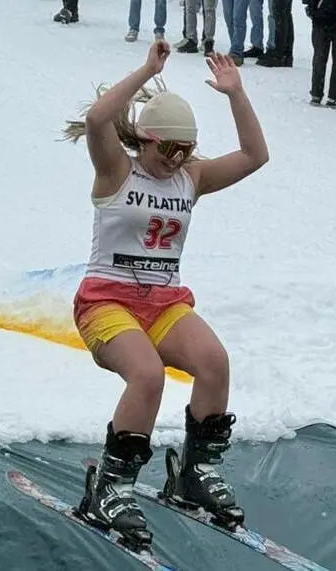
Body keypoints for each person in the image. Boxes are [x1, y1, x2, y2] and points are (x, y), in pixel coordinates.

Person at [61, 42, 269, 547]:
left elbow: (254, 156)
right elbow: (98, 119)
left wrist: (236, 94)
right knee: (148, 374)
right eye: (167, 150)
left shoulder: (190, 177)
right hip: (106, 300)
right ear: (145, 140)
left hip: (164, 302)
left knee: (214, 362)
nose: (175, 161)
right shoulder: (117, 168)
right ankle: (110, 487)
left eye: (184, 152)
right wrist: (147, 70)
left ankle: (195, 473)